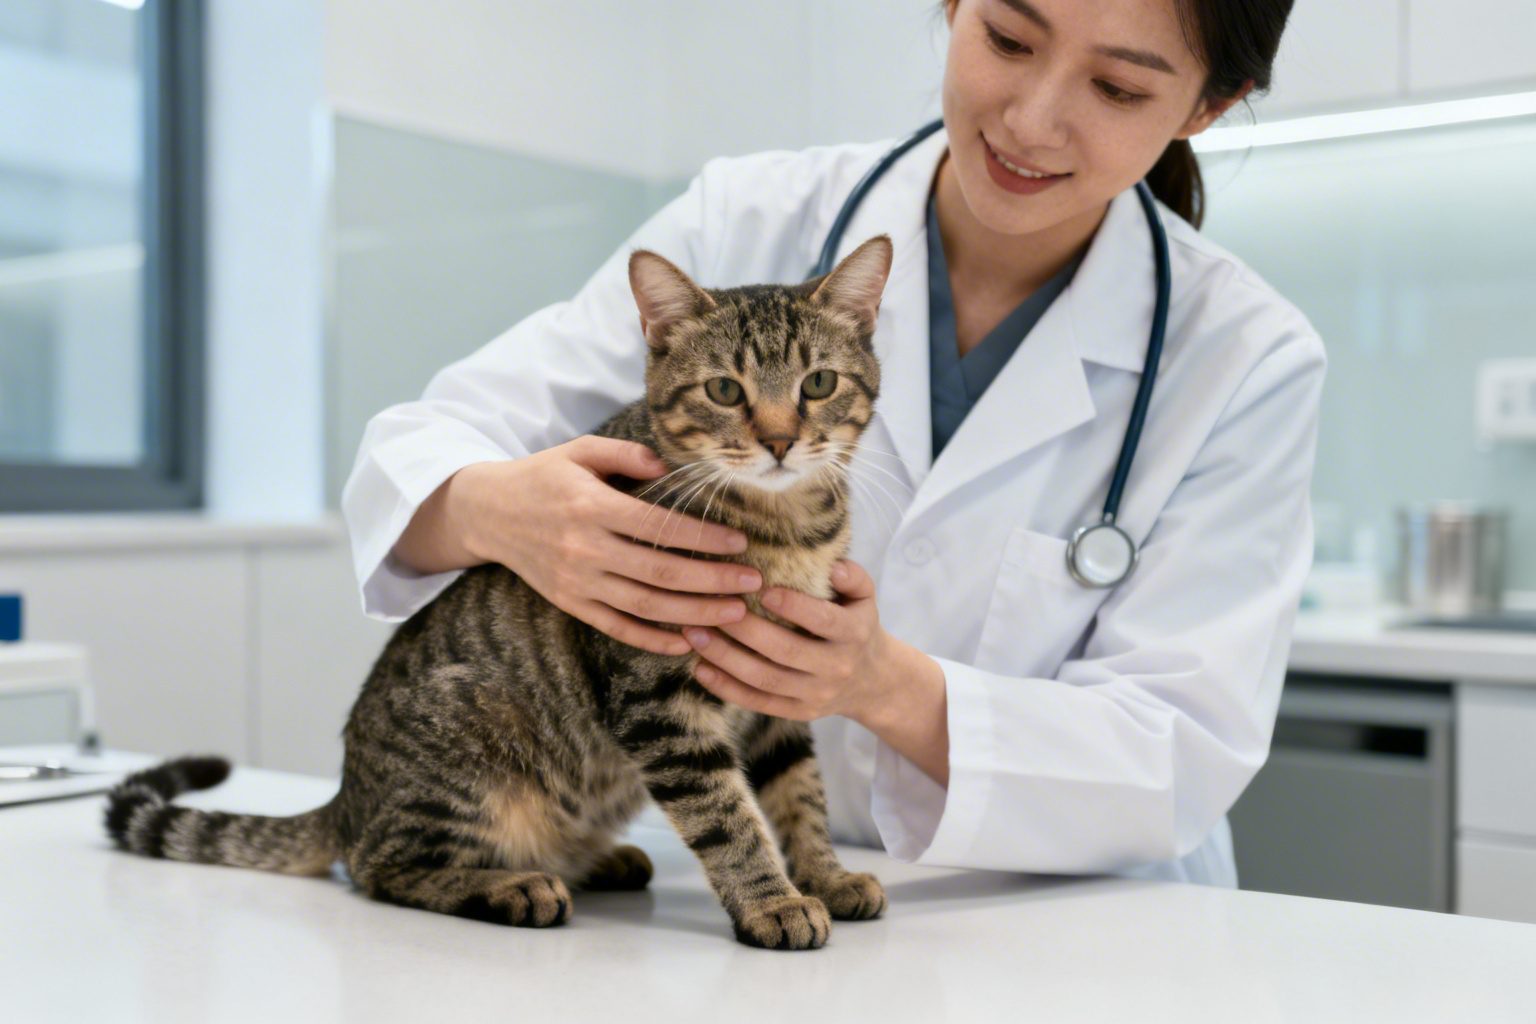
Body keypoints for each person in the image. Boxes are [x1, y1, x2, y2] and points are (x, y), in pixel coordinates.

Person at [341, 0, 1323, 886]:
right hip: (768, 917)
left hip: (1086, 927)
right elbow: (420, 449)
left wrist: (881, 685)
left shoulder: (1244, 355)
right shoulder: (749, 218)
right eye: (1008, 40)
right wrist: (501, 512)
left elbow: (1176, 760)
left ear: (1206, 105)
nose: (1031, 118)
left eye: (1115, 86)